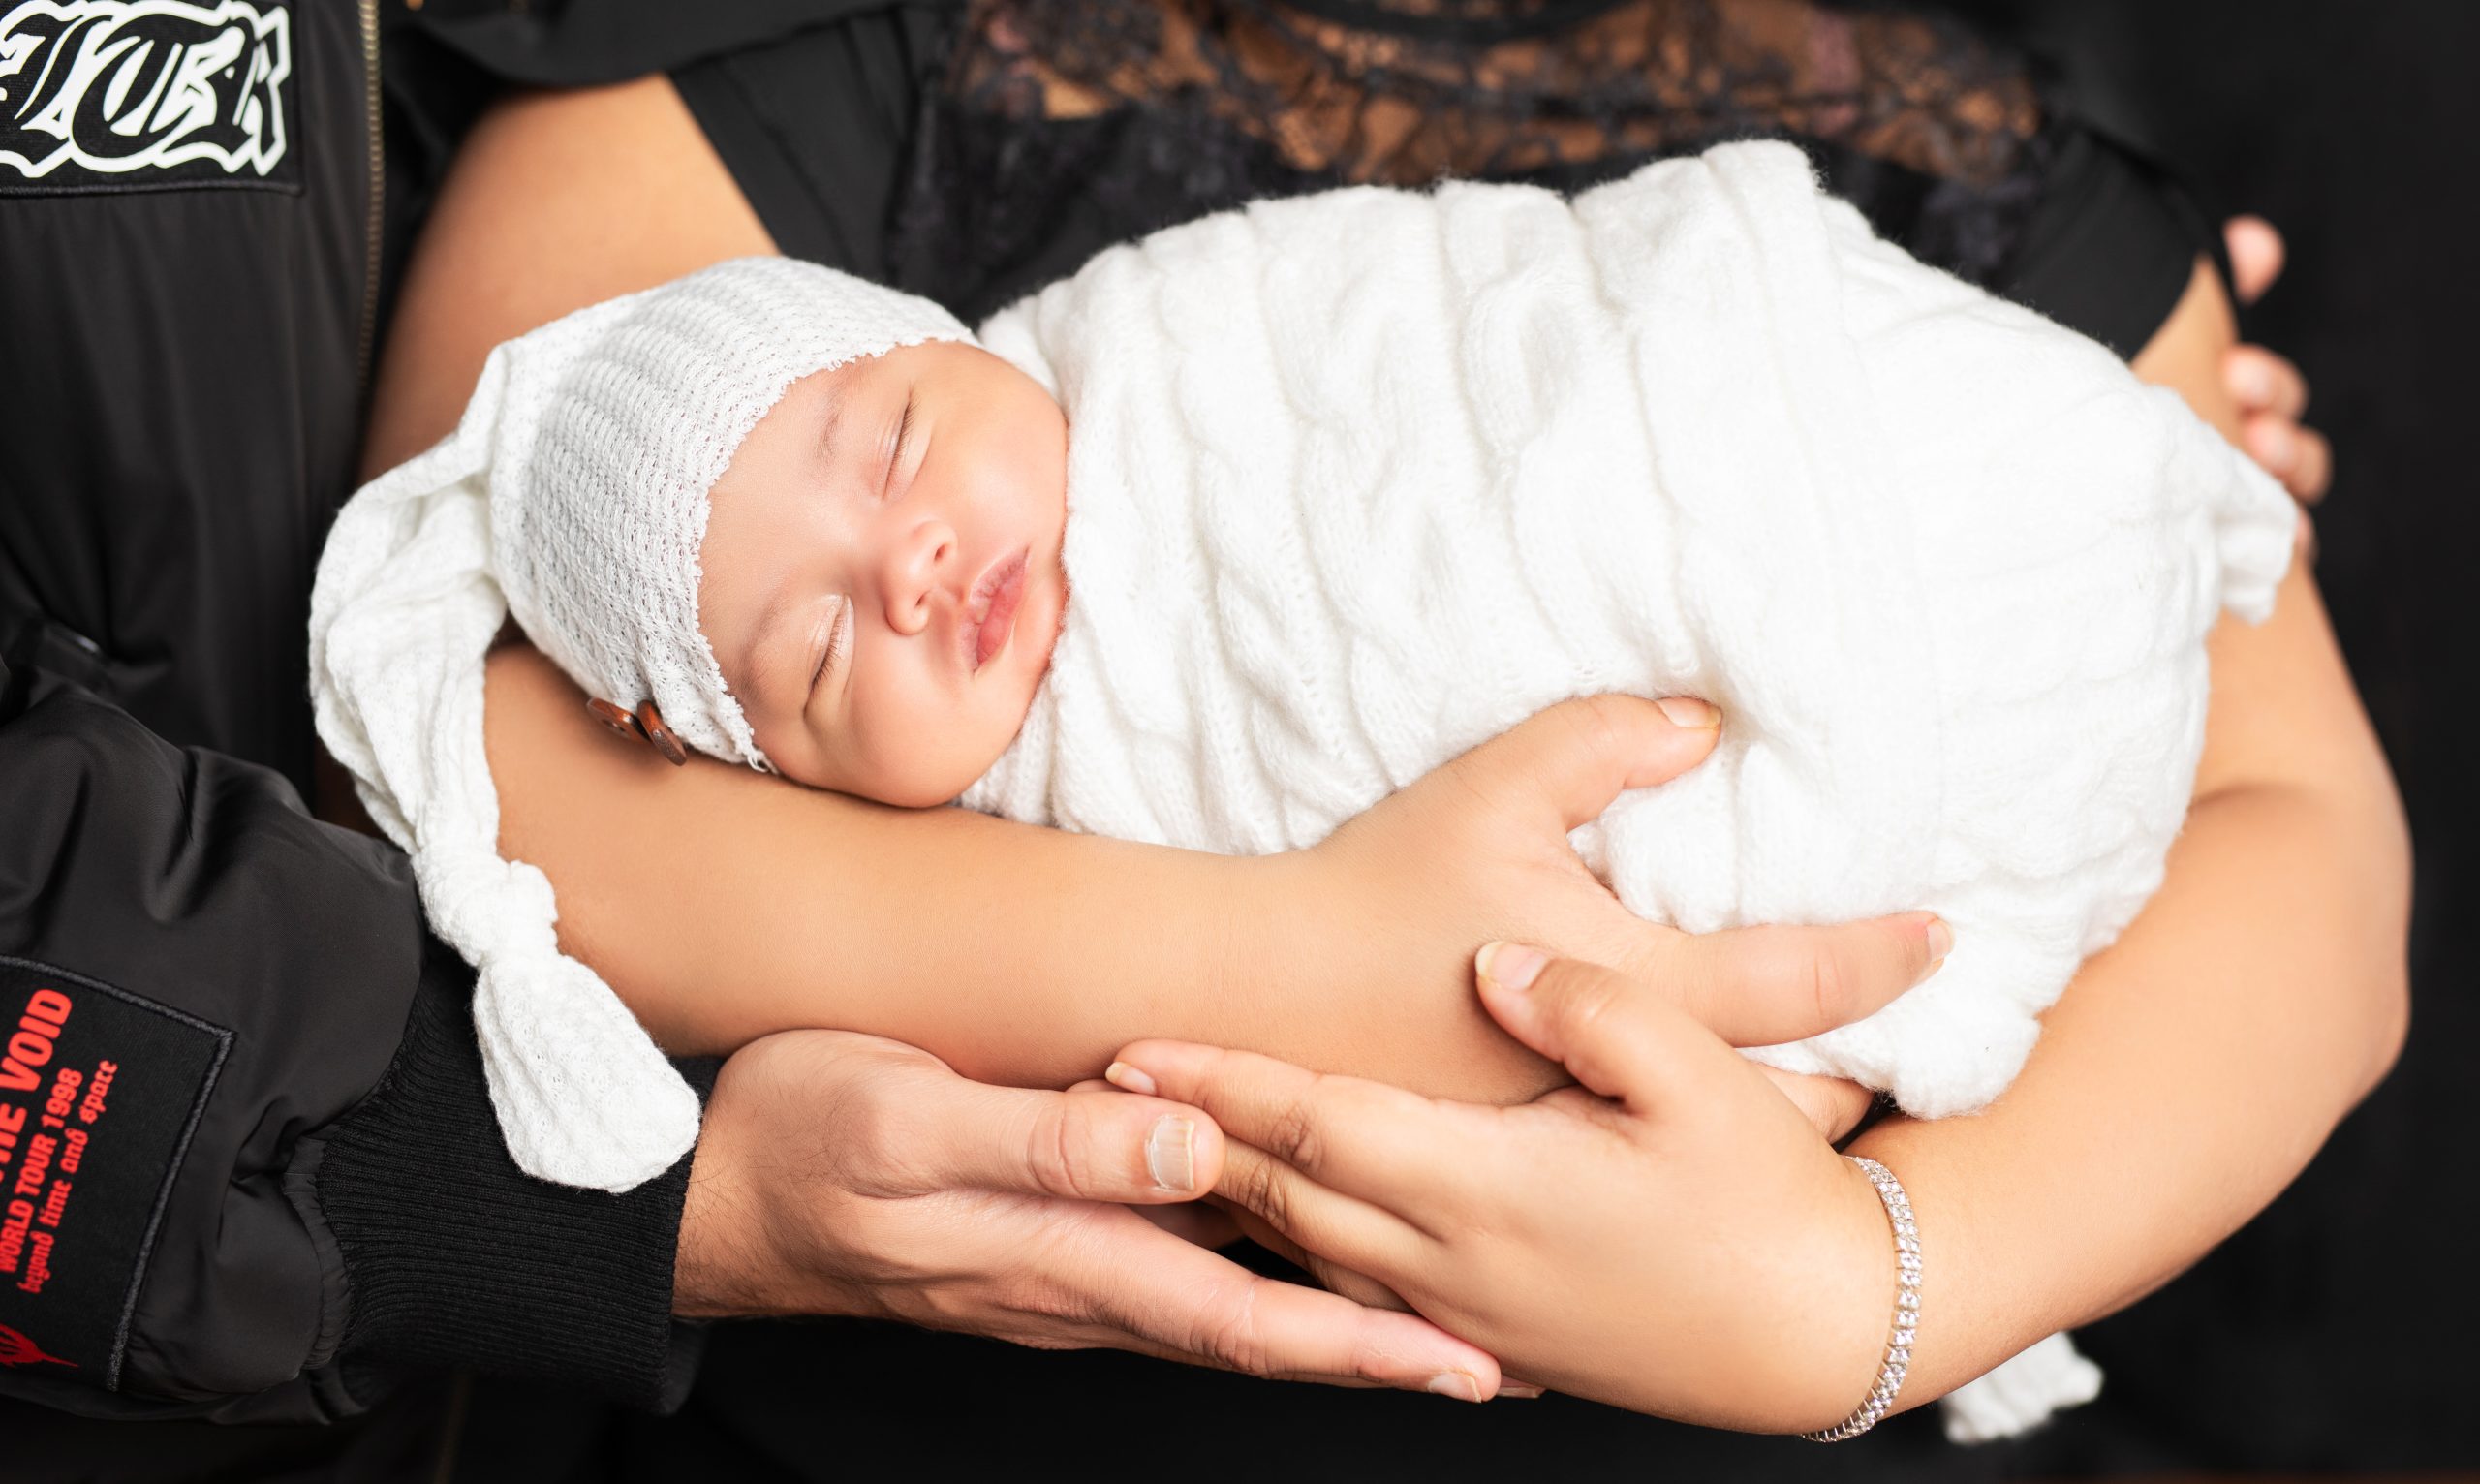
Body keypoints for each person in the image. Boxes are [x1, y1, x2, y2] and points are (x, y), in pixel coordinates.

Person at [365, 1, 2398, 1472]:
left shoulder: (1966, 149)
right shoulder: (778, 54)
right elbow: (493, 757)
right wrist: (1331, 970)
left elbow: (2291, 832)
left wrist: (1867, 1291)